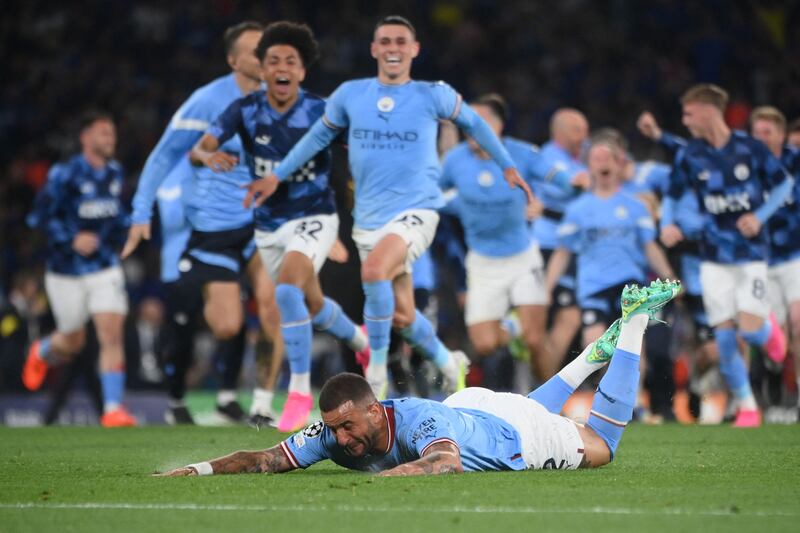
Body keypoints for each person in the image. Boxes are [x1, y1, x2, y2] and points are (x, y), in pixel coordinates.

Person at [244, 15, 534, 399]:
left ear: (414, 50)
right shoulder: (351, 94)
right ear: (374, 49)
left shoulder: (433, 94)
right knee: (403, 315)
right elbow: (316, 138)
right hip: (369, 219)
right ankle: (450, 363)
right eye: (386, 41)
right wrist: (277, 175)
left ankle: (376, 374)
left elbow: (477, 124)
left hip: (417, 209)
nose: (393, 48)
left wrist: (507, 165)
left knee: (375, 269)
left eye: (401, 41)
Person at [155, 279, 681, 477]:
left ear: (373, 408)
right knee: (532, 407)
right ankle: (597, 352)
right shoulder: (336, 433)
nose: (340, 439)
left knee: (604, 445)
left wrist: (380, 485)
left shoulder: (418, 420)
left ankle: (632, 326)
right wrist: (196, 470)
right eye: (333, 430)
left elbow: (444, 463)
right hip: (478, 406)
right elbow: (267, 458)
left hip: (511, 433)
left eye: (346, 428)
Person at [191, 21, 367, 432]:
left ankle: (300, 394)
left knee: (286, 291)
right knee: (313, 305)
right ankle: (359, 341)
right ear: (263, 69)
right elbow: (199, 148)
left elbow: (359, 151)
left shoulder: (320, 111)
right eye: (273, 61)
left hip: (315, 218)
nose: (282, 67)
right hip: (269, 226)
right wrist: (207, 157)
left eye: (291, 60)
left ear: (302, 71)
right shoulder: (245, 111)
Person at [120, 21, 283, 425]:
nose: (265, 58)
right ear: (233, 60)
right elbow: (162, 155)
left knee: (273, 305)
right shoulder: (206, 101)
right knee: (226, 327)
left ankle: (263, 405)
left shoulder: (281, 99)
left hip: (263, 224)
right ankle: (181, 398)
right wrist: (141, 213)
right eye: (254, 52)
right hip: (216, 228)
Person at [657, 84, 793, 427]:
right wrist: (666, 223)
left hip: (750, 255)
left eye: (689, 113)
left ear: (707, 110)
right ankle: (748, 407)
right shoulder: (691, 155)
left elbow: (784, 185)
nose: (685, 121)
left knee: (748, 331)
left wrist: (759, 216)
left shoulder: (750, 148)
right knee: (725, 336)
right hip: (713, 258)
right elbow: (672, 195)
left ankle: (768, 331)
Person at [439, 93, 586, 380]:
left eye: (477, 121)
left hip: (521, 258)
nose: (470, 128)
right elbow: (431, 190)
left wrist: (575, 183)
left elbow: (560, 180)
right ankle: (513, 329)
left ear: (498, 126)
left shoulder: (520, 154)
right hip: (481, 262)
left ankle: (549, 405)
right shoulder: (455, 160)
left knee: (535, 340)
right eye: (466, 122)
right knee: (484, 344)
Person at [22, 111, 135, 427]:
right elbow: (39, 218)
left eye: (112, 133)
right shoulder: (64, 174)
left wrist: (131, 229)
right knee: (72, 342)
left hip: (103, 267)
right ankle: (43, 349)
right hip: (65, 270)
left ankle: (113, 410)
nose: (109, 138)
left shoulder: (115, 173)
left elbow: (116, 217)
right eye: (102, 132)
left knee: (111, 333)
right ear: (85, 137)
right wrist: (72, 237)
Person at [545, 138, 675, 349]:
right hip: (593, 286)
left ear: (618, 164)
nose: (603, 163)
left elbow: (650, 246)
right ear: (589, 166)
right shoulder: (577, 209)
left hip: (630, 285)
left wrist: (670, 277)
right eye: (597, 159)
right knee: (594, 349)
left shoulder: (635, 206)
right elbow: (562, 252)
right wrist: (547, 288)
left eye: (607, 158)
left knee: (631, 351)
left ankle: (637, 384)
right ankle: (602, 382)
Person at [532, 108, 590, 380]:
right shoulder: (549, 158)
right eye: (578, 129)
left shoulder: (581, 158)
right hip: (547, 244)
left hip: (573, 248)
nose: (584, 136)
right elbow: (573, 184)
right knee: (548, 319)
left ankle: (543, 386)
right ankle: (536, 386)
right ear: (560, 132)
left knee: (570, 318)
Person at [749, 106, 800, 413]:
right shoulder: (743, 168)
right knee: (776, 341)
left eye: (767, 132)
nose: (761, 139)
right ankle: (773, 375)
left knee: (798, 321)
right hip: (760, 262)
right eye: (756, 133)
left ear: (781, 135)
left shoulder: (795, 163)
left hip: (795, 256)